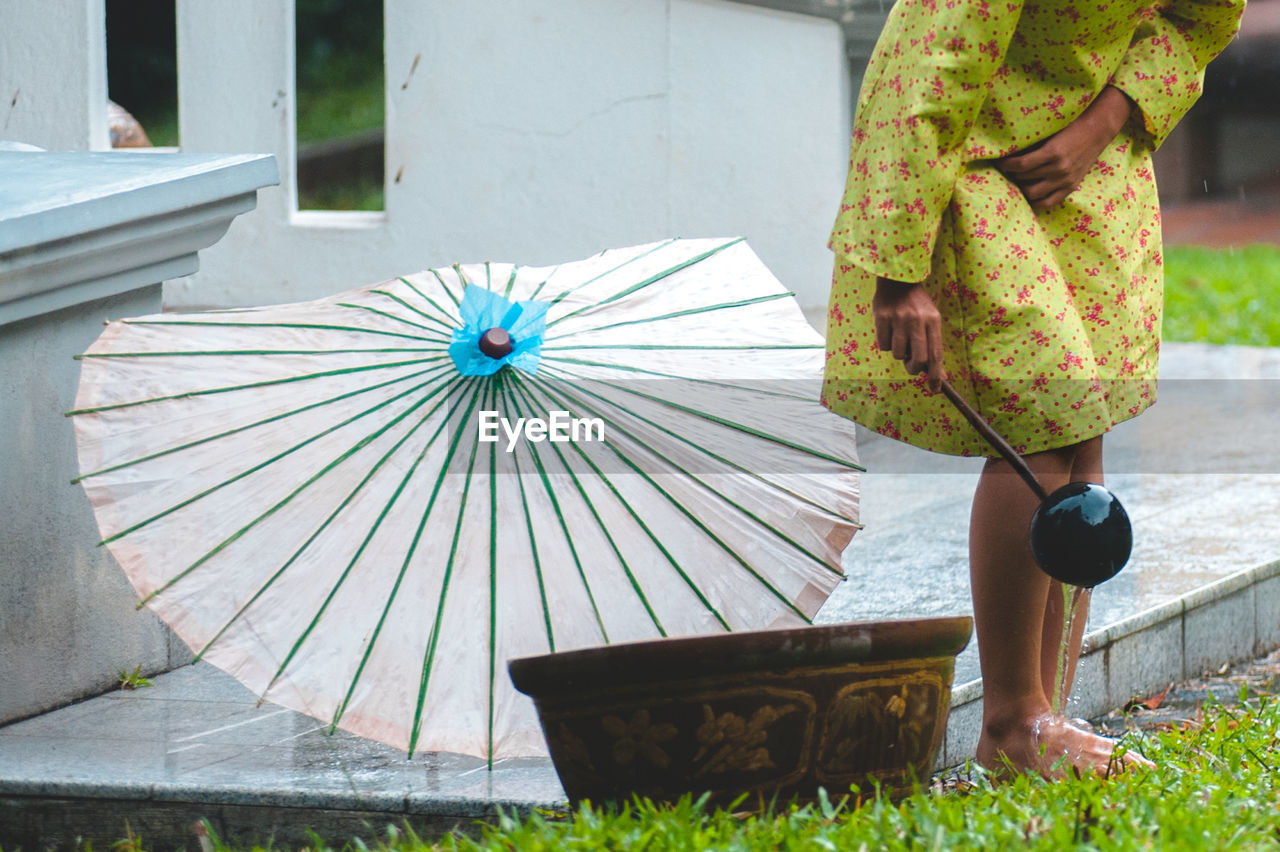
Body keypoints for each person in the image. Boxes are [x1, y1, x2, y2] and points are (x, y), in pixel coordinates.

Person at [822, 0, 1246, 776]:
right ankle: (1015, 719)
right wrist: (898, 268)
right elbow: (924, 73)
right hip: (971, 165)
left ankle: (1040, 717)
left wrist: (1102, 124)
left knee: (1083, 431)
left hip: (1087, 170)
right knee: (1042, 419)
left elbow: (1202, 15)